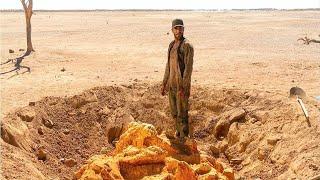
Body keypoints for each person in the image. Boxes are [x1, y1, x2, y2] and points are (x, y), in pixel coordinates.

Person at [161, 18, 194, 139]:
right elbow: (168, 65)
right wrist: (164, 83)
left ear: (183, 29)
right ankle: (178, 134)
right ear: (172, 30)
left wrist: (183, 87)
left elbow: (188, 69)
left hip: (181, 87)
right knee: (174, 113)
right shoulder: (171, 45)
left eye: (180, 28)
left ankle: (184, 138)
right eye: (176, 28)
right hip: (172, 85)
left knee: (182, 113)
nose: (178, 30)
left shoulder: (187, 46)